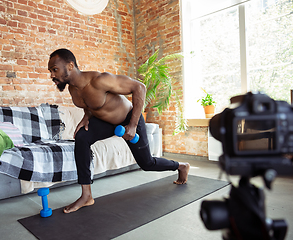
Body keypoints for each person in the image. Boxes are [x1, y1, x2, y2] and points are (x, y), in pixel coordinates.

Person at [48, 48, 190, 214]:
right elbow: (90, 106)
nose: (51, 75)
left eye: (55, 70)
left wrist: (133, 125)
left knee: (147, 163)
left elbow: (140, 88)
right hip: (105, 122)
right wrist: (86, 117)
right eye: (50, 71)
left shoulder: (99, 80)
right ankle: (86, 196)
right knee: (82, 137)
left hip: (128, 119)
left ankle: (181, 166)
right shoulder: (73, 89)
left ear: (70, 65)